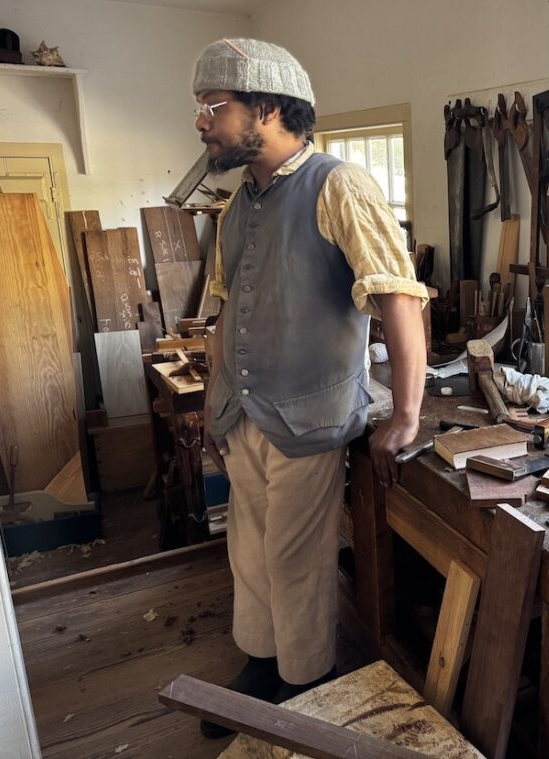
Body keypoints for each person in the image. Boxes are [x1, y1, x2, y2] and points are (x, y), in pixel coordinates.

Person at [190, 38, 427, 738]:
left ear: (266, 107)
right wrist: (213, 399)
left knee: (298, 563)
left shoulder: (338, 186)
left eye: (214, 107)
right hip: (244, 415)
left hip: (310, 415)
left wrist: (408, 412)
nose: (201, 123)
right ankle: (263, 665)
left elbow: (398, 298)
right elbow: (226, 307)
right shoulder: (239, 205)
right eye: (200, 108)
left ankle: (304, 683)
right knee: (251, 550)